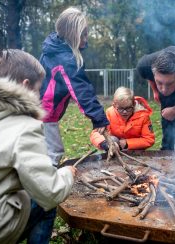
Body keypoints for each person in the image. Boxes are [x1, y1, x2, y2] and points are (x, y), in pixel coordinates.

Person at [0, 49, 76, 243]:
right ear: (26, 85)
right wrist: (67, 174)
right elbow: (50, 191)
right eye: (39, 88)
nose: (40, 95)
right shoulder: (23, 126)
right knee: (44, 204)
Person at [40, 6, 109, 166]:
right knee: (53, 152)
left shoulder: (54, 47)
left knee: (42, 149)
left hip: (41, 109)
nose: (87, 38)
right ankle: (48, 186)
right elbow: (81, 90)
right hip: (45, 112)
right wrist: (98, 119)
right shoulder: (66, 59)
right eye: (83, 34)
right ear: (72, 35)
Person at [90, 86, 155, 151]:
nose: (124, 112)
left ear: (134, 104)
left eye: (128, 108)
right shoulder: (109, 113)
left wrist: (127, 143)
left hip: (136, 150)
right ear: (114, 105)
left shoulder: (143, 116)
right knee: (113, 139)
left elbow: (149, 139)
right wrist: (104, 144)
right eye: (121, 108)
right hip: (114, 148)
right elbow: (96, 133)